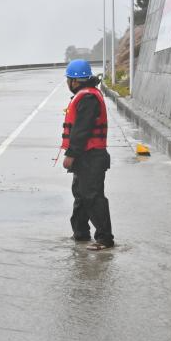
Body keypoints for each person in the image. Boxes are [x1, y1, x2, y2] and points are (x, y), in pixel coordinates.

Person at [61, 59, 115, 250]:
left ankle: (105, 238)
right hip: (86, 157)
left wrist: (70, 155)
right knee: (81, 195)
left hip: (92, 156)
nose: (68, 83)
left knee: (93, 196)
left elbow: (81, 130)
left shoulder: (87, 98)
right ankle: (81, 233)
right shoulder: (86, 95)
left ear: (75, 81)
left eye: (68, 80)